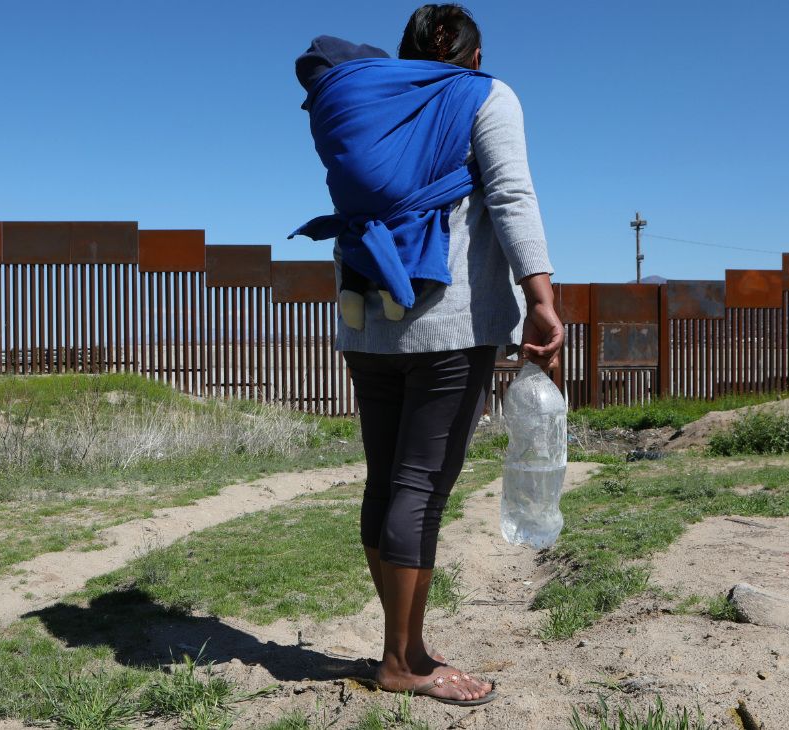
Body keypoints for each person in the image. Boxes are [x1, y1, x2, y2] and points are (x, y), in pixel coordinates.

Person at [292, 4, 563, 706]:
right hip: (448, 325)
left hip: (367, 329)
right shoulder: (485, 93)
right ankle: (403, 661)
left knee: (385, 482)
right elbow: (510, 193)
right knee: (421, 489)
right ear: (474, 57)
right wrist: (540, 297)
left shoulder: (371, 102)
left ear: (404, 55)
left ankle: (404, 644)